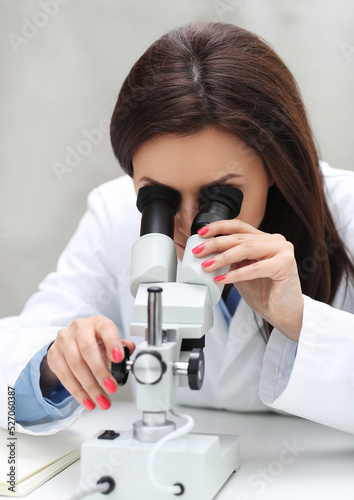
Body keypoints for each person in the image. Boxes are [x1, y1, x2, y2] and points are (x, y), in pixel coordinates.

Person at [1, 22, 354, 436]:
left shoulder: (346, 211)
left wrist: (299, 320)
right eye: (158, 198)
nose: (188, 223)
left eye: (220, 195)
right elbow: (13, 362)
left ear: (275, 166)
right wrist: (53, 364)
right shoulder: (115, 214)